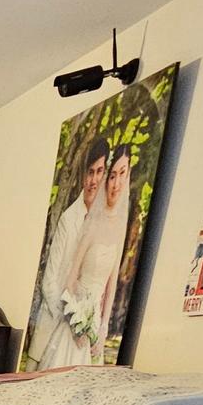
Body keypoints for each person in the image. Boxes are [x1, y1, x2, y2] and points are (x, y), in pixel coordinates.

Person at [28, 136, 107, 369]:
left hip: (84, 332)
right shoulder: (69, 219)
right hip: (55, 322)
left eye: (99, 172)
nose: (93, 180)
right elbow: (50, 281)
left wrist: (87, 323)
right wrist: (71, 318)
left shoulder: (105, 223)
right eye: (90, 172)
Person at [61, 144, 132, 360]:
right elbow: (70, 281)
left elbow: (111, 288)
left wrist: (102, 329)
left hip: (94, 324)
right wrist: (76, 321)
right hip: (74, 322)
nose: (116, 184)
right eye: (112, 176)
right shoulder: (92, 225)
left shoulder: (121, 229)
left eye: (122, 174)